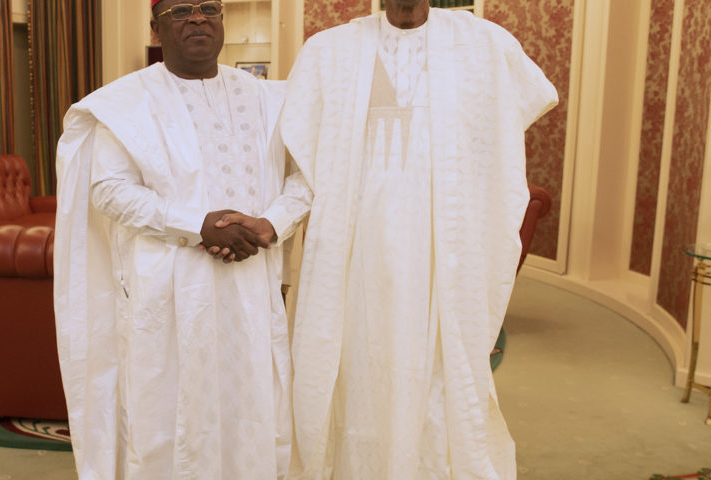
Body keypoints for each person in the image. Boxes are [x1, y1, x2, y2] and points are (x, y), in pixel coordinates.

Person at [218, 0, 558, 478]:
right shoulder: (327, 52)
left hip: (444, 256)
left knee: (438, 375)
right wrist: (274, 221)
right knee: (352, 373)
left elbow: (499, 150)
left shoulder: (484, 46)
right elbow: (307, 175)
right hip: (351, 256)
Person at [52, 0, 293, 478]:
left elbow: (304, 177)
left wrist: (271, 223)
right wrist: (196, 225)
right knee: (170, 413)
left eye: (209, 7)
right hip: (167, 291)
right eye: (181, 9)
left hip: (250, 288)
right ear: (156, 27)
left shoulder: (271, 99)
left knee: (252, 404)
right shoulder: (124, 103)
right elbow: (109, 190)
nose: (198, 18)